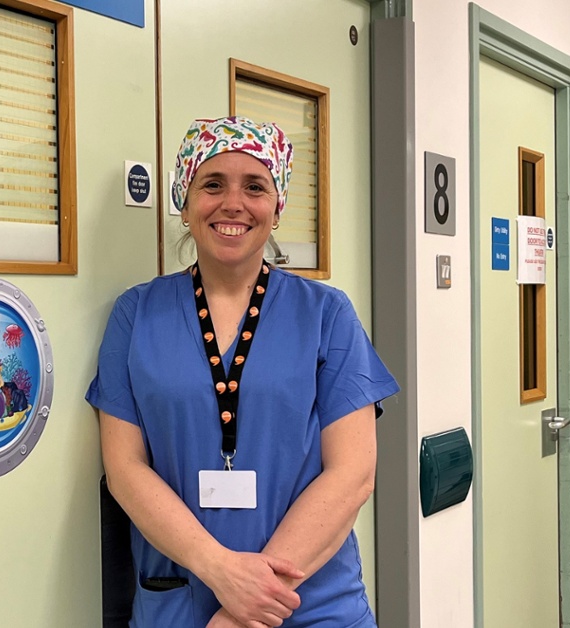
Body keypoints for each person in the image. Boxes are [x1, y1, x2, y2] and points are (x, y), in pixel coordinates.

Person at [88, 117, 398, 628]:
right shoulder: (136, 314)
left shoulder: (326, 314)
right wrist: (220, 571)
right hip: (181, 602)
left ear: (277, 209)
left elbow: (353, 474)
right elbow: (124, 470)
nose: (233, 203)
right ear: (184, 204)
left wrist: (244, 612)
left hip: (310, 605)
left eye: (255, 186)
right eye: (212, 184)